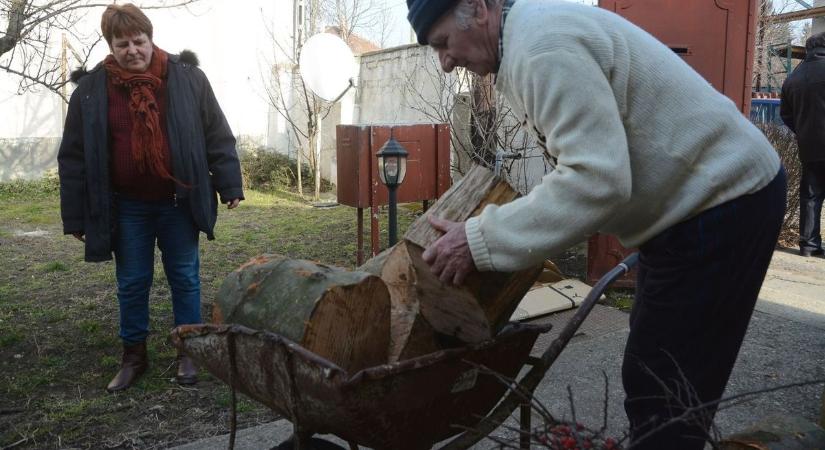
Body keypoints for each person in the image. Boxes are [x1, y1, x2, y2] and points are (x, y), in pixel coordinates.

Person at [407, 0, 786, 448]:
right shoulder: (525, 44)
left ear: (479, 7)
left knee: (667, 393)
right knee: (653, 375)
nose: (446, 63)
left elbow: (597, 180)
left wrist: (478, 240)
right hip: (699, 204)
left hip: (721, 202)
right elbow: (587, 169)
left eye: (443, 43)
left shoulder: (542, 49)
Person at [58, 3, 244, 393]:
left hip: (179, 201)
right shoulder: (92, 91)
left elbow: (217, 133)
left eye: (138, 41)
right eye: (122, 43)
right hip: (126, 206)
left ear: (150, 38)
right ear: (110, 45)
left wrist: (229, 184)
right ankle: (134, 357)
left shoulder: (188, 78)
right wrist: (76, 217)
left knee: (185, 278)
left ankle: (189, 352)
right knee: (131, 281)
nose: (132, 51)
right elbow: (73, 157)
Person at [781, 32, 825, 258]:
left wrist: (805, 132)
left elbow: (786, 115)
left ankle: (809, 245)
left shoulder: (793, 79)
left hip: (810, 148)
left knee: (811, 196)